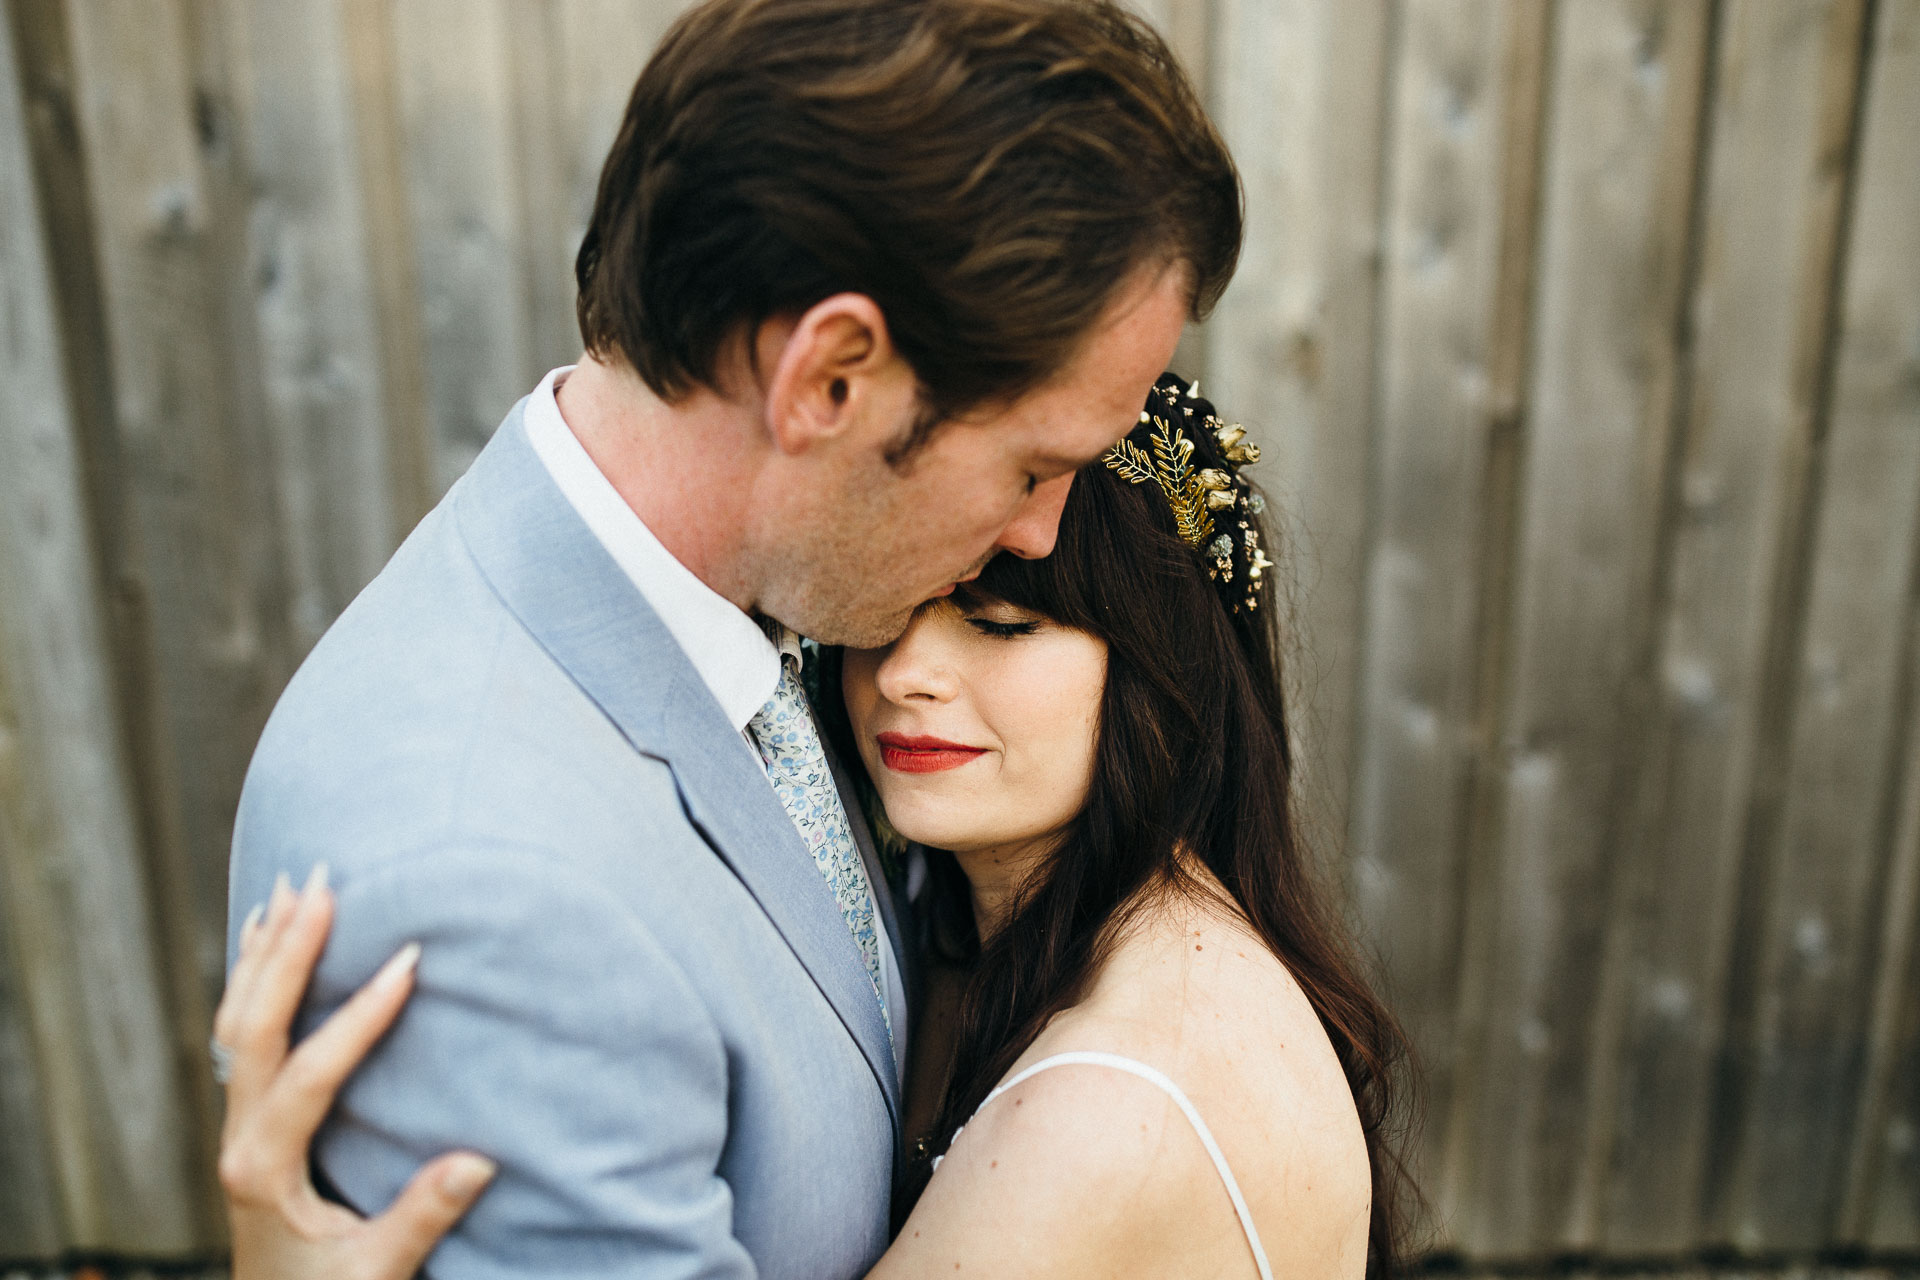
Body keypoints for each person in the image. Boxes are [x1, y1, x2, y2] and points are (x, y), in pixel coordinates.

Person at [221, 0, 1240, 1277]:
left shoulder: (761, 595)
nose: (1044, 534)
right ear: (830, 381)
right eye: (1036, 466)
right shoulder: (494, 899)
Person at [216, 375, 1416, 1278]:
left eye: (1000, 626)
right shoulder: (1082, 937)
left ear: (1172, 673)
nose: (908, 675)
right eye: (896, 615)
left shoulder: (1104, 1106)